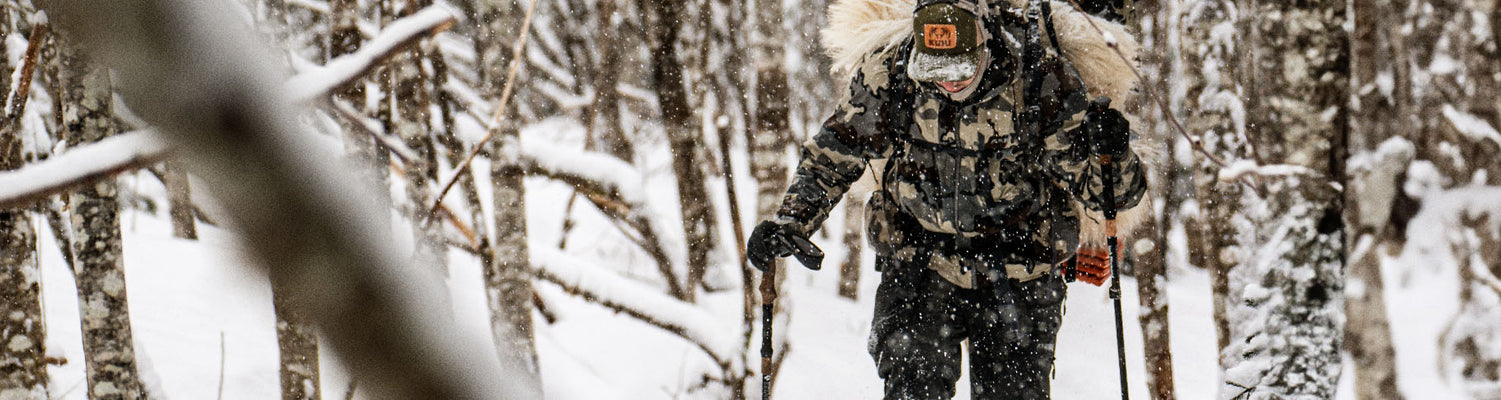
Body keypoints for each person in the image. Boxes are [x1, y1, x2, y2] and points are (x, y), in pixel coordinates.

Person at [746, 0, 1147, 398]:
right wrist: (791, 220)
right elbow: (834, 152)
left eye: (959, 70)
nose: (948, 83)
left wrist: (1112, 151)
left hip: (1017, 270)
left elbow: (1112, 194)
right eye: (935, 71)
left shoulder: (1039, 78)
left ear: (985, 47)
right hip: (919, 265)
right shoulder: (892, 73)